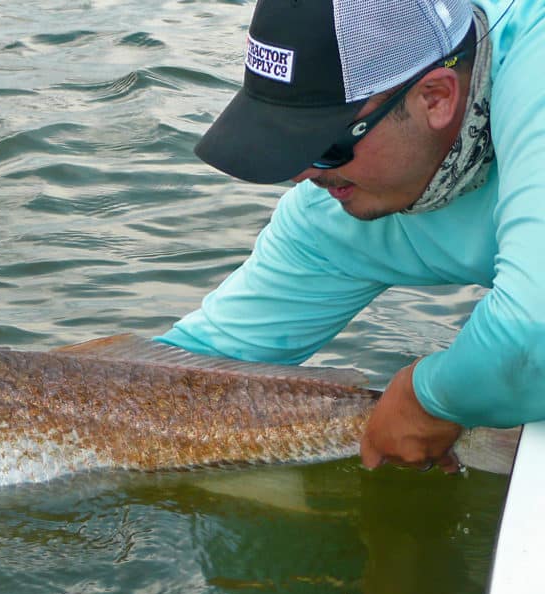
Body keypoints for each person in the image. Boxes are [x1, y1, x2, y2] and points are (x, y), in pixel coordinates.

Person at [157, 0, 544, 471]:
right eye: (289, 145)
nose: (301, 174)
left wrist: (430, 398)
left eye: (325, 145)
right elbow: (185, 374)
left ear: (436, 98)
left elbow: (532, 330)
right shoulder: (335, 209)